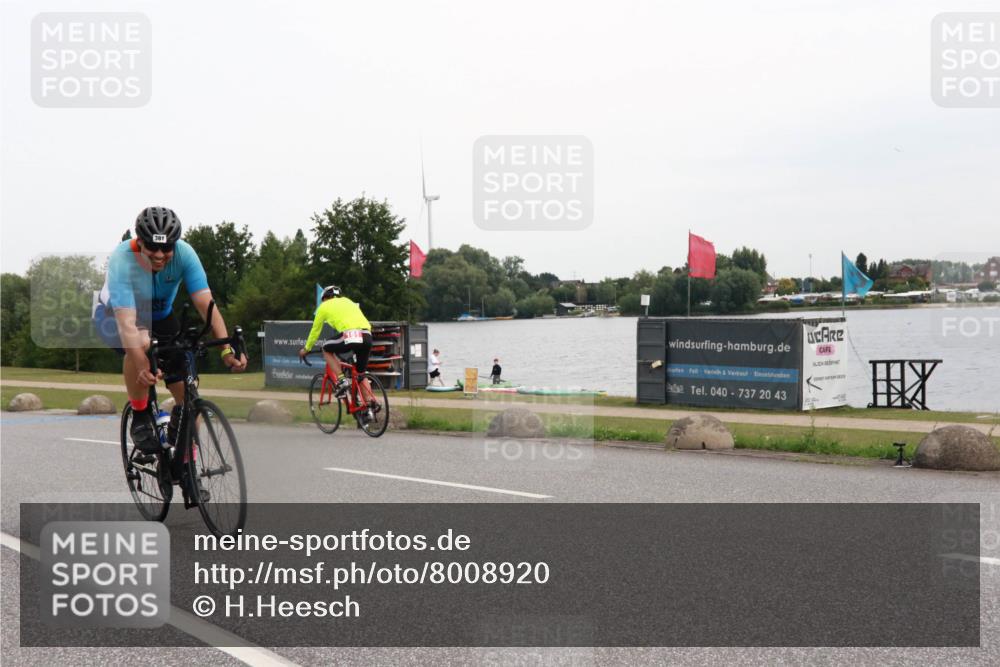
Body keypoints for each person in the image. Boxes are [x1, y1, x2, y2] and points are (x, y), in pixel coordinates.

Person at [93, 206, 247, 457]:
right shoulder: (122, 259)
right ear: (139, 242)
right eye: (152, 247)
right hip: (116, 315)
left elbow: (206, 305)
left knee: (188, 393)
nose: (160, 254)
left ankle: (186, 465)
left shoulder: (185, 254)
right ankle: (141, 414)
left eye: (166, 248)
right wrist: (143, 365)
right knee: (141, 344)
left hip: (161, 317)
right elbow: (127, 324)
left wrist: (226, 348)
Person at [298, 286, 376, 405]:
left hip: (351, 334)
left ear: (324, 298)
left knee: (326, 348)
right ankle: (370, 407)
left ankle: (341, 380)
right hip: (367, 335)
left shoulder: (323, 307)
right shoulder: (348, 301)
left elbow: (315, 331)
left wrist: (306, 349)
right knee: (360, 373)